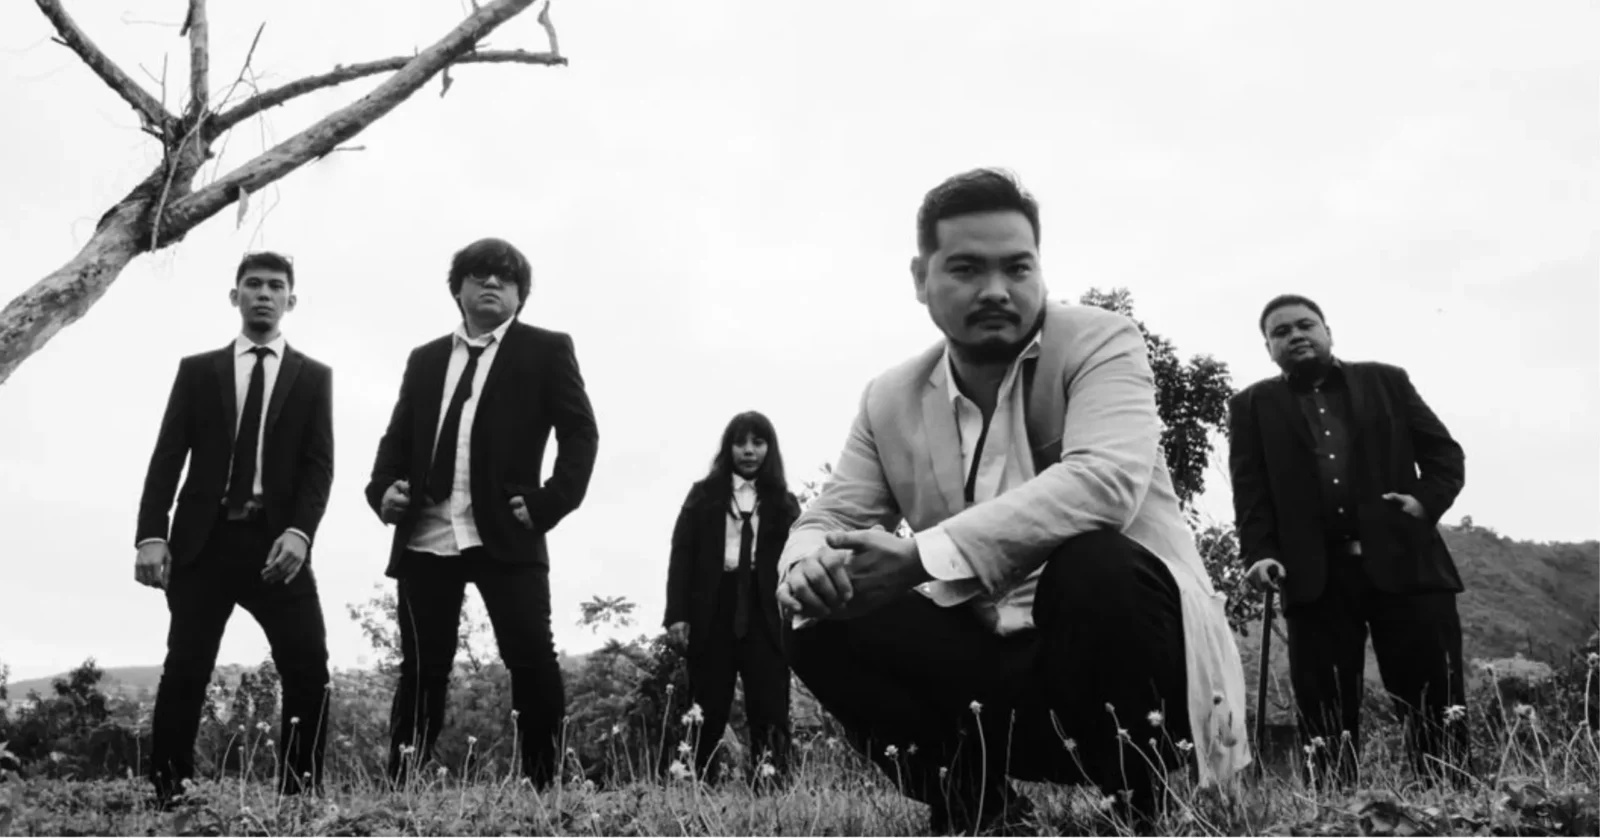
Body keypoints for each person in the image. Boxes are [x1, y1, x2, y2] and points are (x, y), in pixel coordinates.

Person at [777, 168, 1250, 835]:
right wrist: (806, 566)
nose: (997, 290)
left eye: (1017, 267)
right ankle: (979, 806)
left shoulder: (1100, 341)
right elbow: (832, 517)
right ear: (921, 278)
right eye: (967, 268)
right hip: (990, 671)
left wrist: (920, 559)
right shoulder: (890, 397)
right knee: (815, 610)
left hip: (1130, 670)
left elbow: (1104, 483)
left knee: (1095, 564)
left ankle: (1138, 800)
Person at [366, 237, 598, 789]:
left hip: (508, 531)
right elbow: (397, 438)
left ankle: (541, 787)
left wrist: (550, 501)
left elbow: (580, 432)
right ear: (458, 288)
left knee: (531, 659)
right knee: (421, 668)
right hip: (426, 533)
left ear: (520, 294)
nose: (492, 283)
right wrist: (381, 491)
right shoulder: (425, 359)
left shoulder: (546, 349)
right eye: (479, 274)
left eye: (505, 277)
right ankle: (403, 788)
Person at [1227, 294, 1469, 786]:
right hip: (1315, 577)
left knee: (1435, 703)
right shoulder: (1251, 406)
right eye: (1280, 332)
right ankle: (1335, 809)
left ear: (1327, 332)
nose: (1295, 335)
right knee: (1325, 714)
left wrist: (1423, 504)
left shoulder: (1387, 381)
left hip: (1407, 563)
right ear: (1268, 348)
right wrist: (1261, 553)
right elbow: (1250, 493)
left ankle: (1449, 801)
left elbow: (1445, 456)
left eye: (1305, 325)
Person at [134, 251, 335, 803]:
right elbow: (167, 456)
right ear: (235, 296)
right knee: (187, 667)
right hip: (203, 542)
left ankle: (299, 793)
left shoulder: (314, 376)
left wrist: (301, 532)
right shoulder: (199, 371)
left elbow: (319, 467)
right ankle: (169, 793)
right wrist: (151, 534)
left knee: (308, 667)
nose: (264, 294)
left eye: (275, 286)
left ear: (291, 299)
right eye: (253, 284)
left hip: (276, 546)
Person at [662, 411, 801, 785]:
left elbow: (797, 559)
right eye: (741, 443)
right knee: (706, 704)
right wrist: (677, 614)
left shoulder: (783, 502)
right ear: (729, 448)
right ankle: (696, 785)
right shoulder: (704, 495)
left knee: (770, 704)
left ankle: (772, 787)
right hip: (713, 606)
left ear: (769, 448)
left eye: (758, 442)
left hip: (765, 609)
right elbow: (681, 554)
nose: (749, 451)